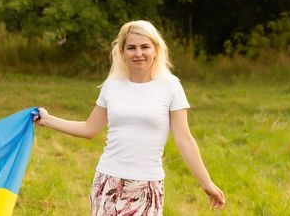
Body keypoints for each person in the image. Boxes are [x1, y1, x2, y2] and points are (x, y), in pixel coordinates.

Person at [34, 20, 226, 215]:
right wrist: (47, 120)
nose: (138, 53)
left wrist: (206, 183)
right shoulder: (112, 85)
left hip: (147, 186)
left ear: (156, 49)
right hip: (108, 182)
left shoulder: (171, 86)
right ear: (122, 52)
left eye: (145, 47)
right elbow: (89, 129)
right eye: (131, 48)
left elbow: (184, 139)